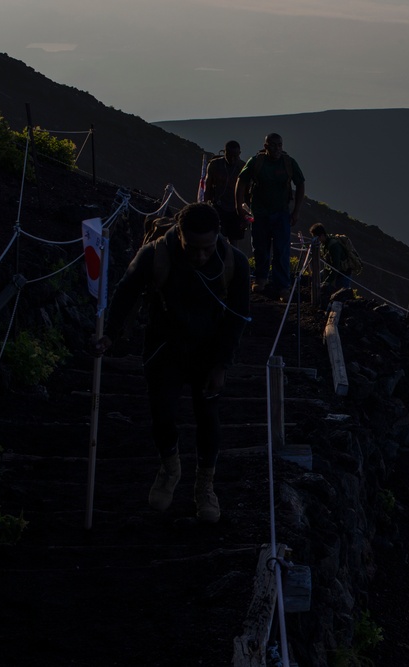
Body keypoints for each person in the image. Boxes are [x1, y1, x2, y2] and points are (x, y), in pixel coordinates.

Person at [93, 202, 250, 523]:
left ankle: (205, 486)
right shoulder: (155, 255)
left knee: (208, 417)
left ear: (218, 235)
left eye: (207, 248)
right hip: (164, 348)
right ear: (179, 234)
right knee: (162, 414)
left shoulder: (235, 264)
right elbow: (125, 292)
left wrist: (222, 365)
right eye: (193, 247)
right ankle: (170, 468)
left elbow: (237, 318)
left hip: (209, 351)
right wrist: (109, 334)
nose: (201, 256)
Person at [234, 133, 306, 299]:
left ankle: (282, 286)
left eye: (279, 145)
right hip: (260, 213)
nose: (277, 148)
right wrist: (238, 205)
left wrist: (296, 210)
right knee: (260, 248)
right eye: (273, 145)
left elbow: (300, 183)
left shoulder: (288, 163)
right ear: (266, 146)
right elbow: (241, 181)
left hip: (281, 213)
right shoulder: (256, 162)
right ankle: (261, 279)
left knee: (282, 250)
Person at [203, 140, 246, 252]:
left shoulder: (243, 167)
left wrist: (245, 214)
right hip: (218, 206)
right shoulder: (214, 165)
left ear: (239, 153)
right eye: (229, 155)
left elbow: (248, 192)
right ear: (224, 152)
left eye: (235, 156)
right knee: (216, 237)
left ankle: (234, 263)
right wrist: (206, 207)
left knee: (234, 239)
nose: (232, 159)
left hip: (236, 209)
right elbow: (207, 187)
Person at [309, 222, 352, 293]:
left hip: (343, 273)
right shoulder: (325, 244)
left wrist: (326, 282)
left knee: (341, 295)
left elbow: (336, 266)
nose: (317, 240)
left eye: (317, 237)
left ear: (322, 235)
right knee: (317, 278)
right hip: (334, 271)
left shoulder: (333, 246)